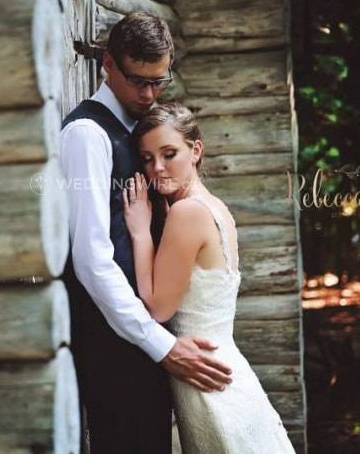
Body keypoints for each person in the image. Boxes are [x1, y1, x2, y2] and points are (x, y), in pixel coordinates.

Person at [59, 12, 233, 453]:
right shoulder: (86, 135)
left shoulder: (144, 130)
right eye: (138, 81)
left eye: (159, 81)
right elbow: (92, 259)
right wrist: (161, 345)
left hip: (150, 337)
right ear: (108, 64)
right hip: (113, 342)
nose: (149, 93)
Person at [123, 102, 297, 453]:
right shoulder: (216, 208)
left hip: (207, 380)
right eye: (146, 159)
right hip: (222, 369)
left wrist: (141, 234)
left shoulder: (187, 212)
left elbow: (158, 308)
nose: (157, 168)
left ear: (196, 150)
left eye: (169, 153)